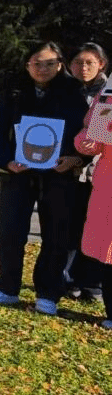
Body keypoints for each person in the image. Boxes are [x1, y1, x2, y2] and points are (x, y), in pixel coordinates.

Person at [0, 42, 89, 315]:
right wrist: (5, 160)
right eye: (37, 63)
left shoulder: (75, 92)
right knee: (10, 230)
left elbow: (87, 136)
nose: (43, 69)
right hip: (18, 173)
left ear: (60, 65)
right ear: (27, 65)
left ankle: (49, 293)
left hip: (59, 175)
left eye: (49, 63)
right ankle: (7, 287)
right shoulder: (14, 90)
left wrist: (76, 158)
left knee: (56, 234)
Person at [66, 43, 108, 300]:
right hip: (70, 169)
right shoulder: (66, 90)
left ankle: (93, 284)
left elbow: (100, 136)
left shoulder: (108, 92)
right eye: (78, 62)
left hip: (99, 173)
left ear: (101, 64)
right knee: (71, 227)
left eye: (89, 62)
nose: (83, 67)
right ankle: (71, 280)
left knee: (97, 231)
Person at [74, 96, 112, 329]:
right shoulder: (108, 98)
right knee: (109, 255)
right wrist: (86, 141)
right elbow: (91, 139)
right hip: (109, 188)